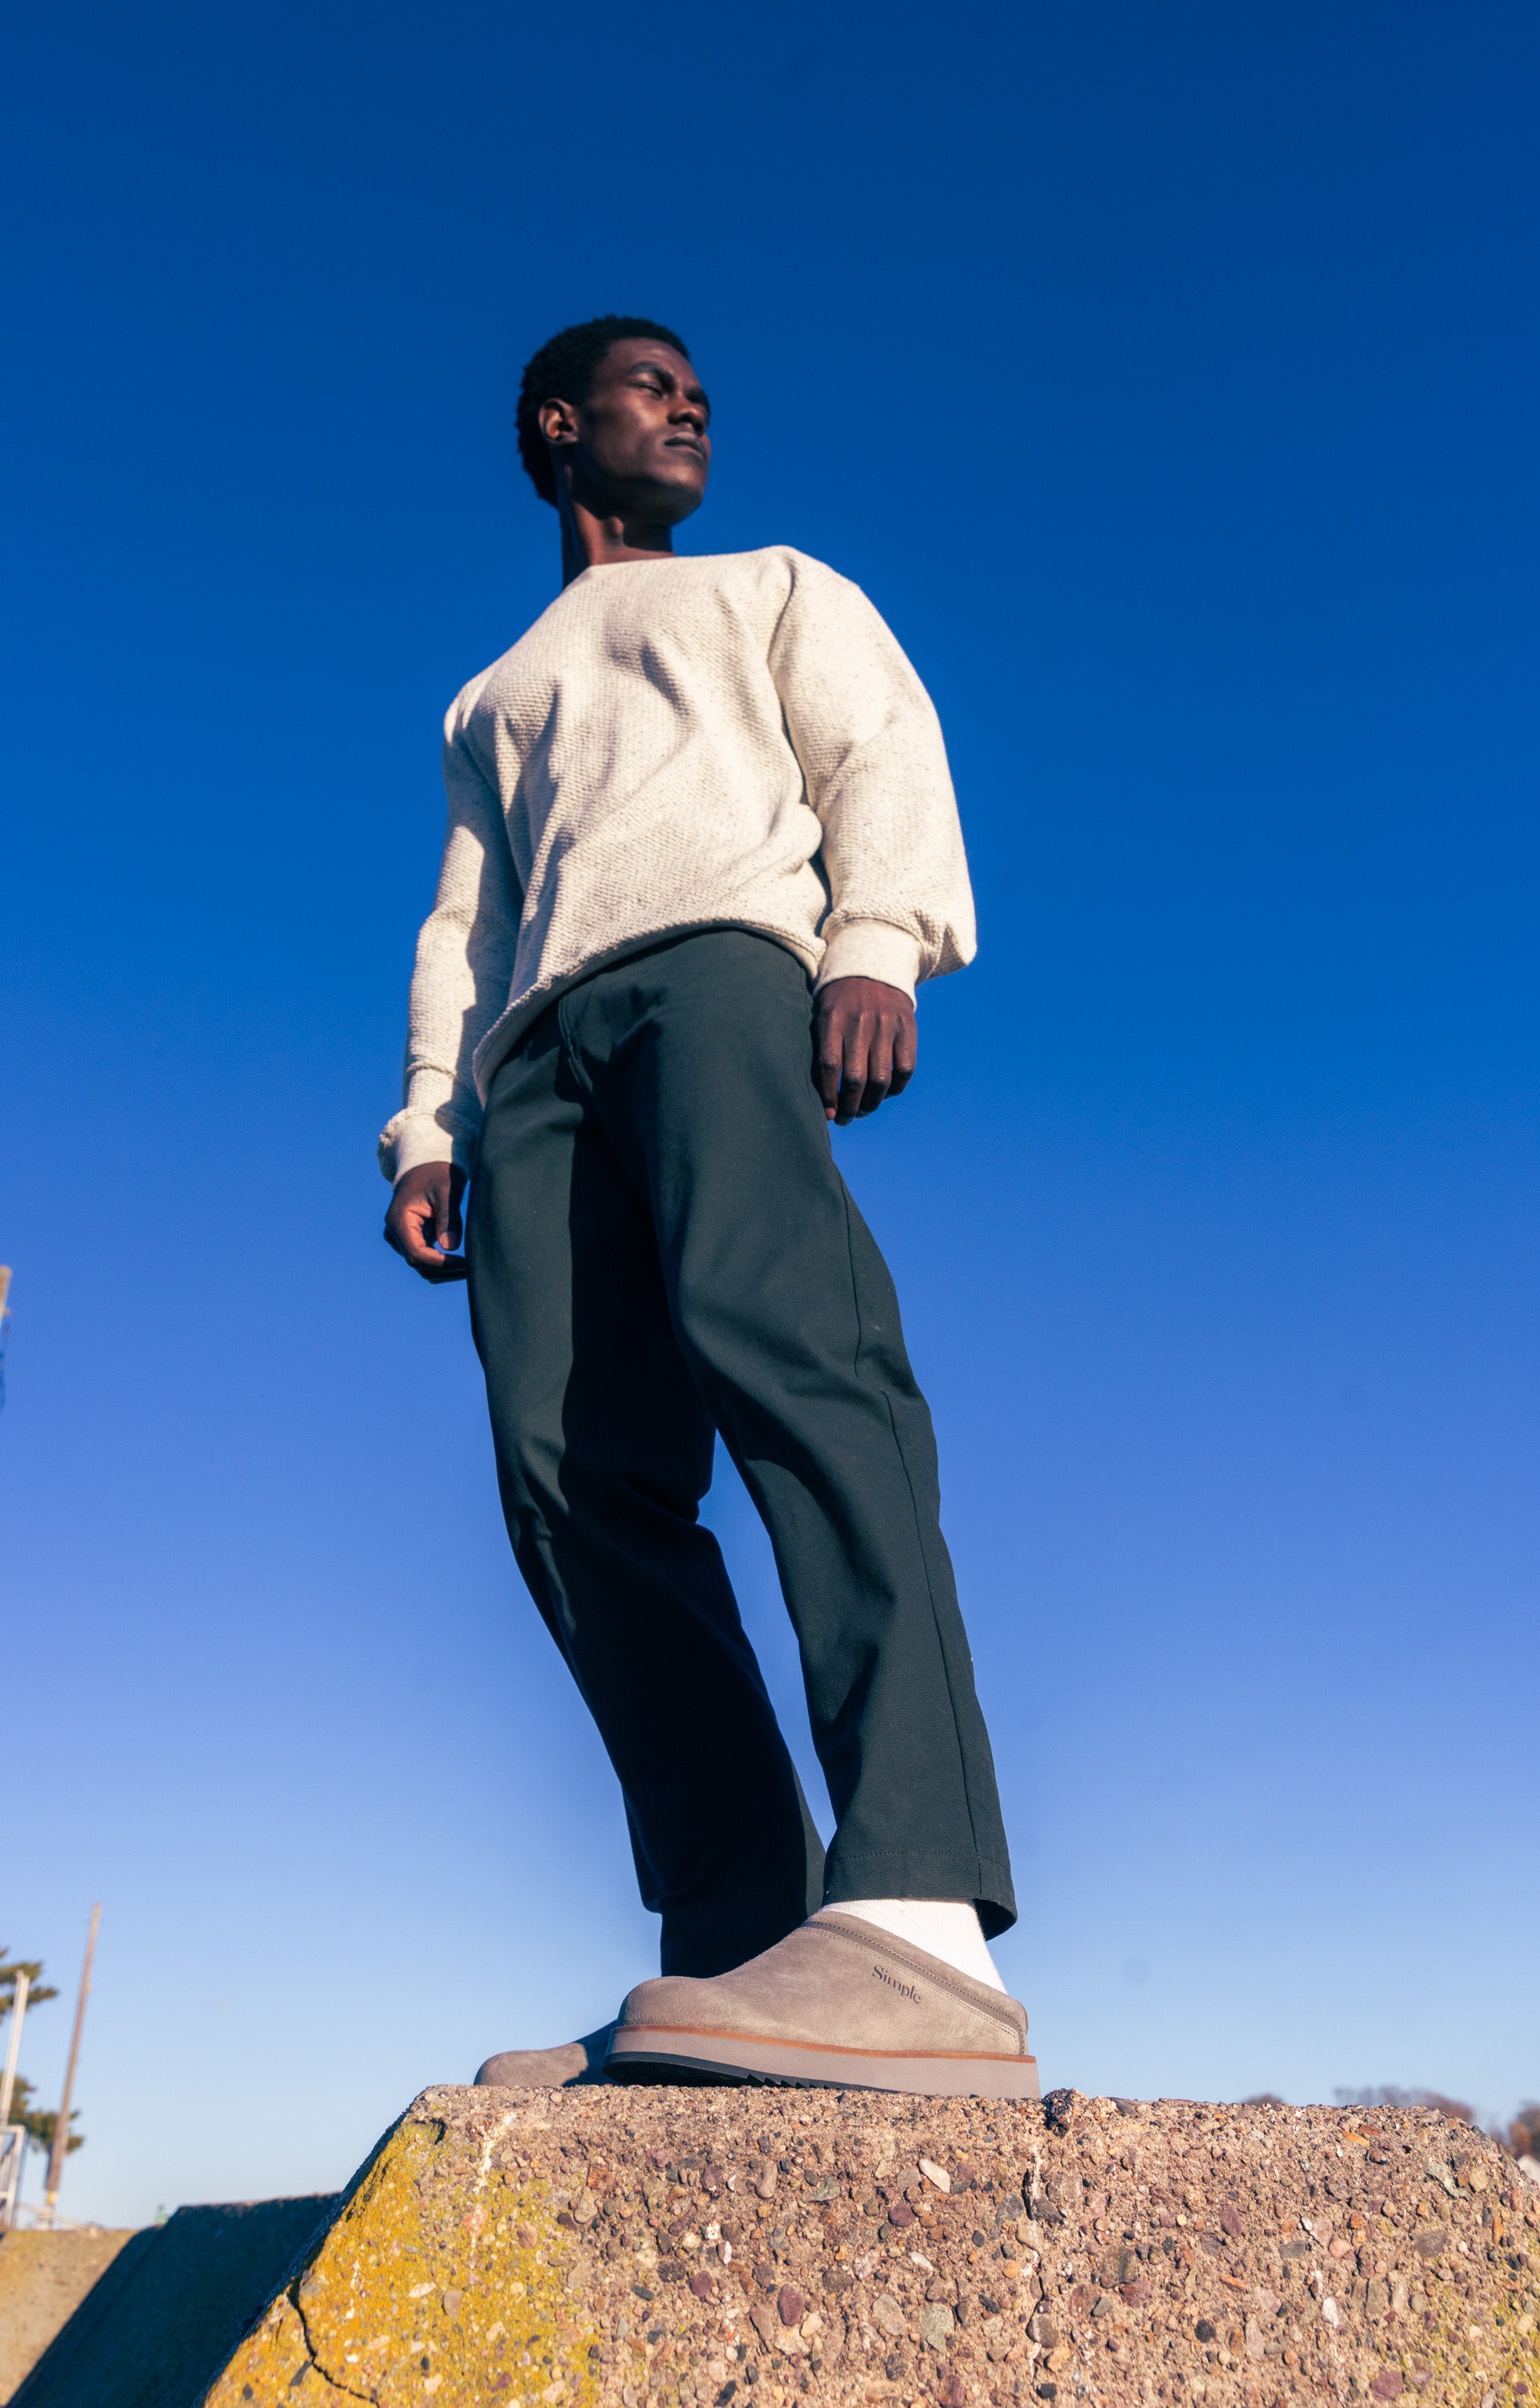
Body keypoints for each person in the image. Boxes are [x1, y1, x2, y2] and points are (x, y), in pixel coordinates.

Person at [381, 315, 1034, 2097]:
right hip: (535, 1064)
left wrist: (874, 938)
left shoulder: (767, 584)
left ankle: (914, 1916)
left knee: (793, 1357)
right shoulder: (490, 697)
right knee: (566, 1475)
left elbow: (877, 750)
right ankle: (743, 1940)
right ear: (555, 424)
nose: (687, 411)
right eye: (648, 388)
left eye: (696, 396)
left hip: (722, 976)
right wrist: (430, 1127)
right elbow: (466, 922)